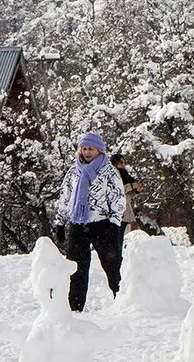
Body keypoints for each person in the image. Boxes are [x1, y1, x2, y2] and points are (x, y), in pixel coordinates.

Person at [55, 133, 126, 312]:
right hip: (77, 224)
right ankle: (75, 307)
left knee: (112, 264)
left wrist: (115, 223)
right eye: (84, 149)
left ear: (99, 150)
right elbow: (66, 197)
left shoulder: (109, 172)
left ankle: (124, 299)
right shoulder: (74, 171)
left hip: (102, 224)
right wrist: (60, 222)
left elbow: (117, 198)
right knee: (76, 268)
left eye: (91, 149)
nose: (87, 152)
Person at [110, 154, 142, 240]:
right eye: (121, 162)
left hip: (124, 211)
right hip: (116, 212)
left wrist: (136, 191)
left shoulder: (125, 175)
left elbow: (127, 195)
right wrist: (131, 186)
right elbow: (117, 191)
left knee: (119, 239)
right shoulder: (113, 175)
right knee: (116, 240)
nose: (123, 165)